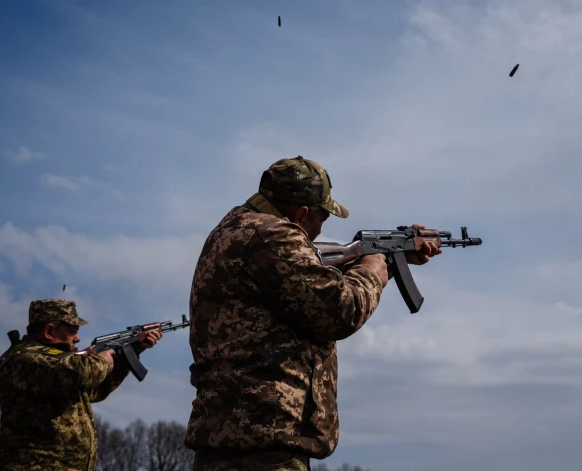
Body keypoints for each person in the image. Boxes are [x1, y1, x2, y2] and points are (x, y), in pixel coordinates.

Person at [184, 155, 442, 470]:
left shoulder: (237, 228)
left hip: (236, 435)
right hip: (264, 443)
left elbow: (303, 273)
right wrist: (374, 270)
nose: (319, 231)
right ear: (302, 213)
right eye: (321, 219)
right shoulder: (273, 236)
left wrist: (390, 253)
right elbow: (341, 310)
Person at [0, 299, 163, 471]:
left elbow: (96, 390)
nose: (78, 338)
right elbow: (78, 373)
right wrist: (99, 359)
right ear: (49, 331)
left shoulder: (59, 363)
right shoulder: (25, 358)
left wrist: (132, 351)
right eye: (73, 331)